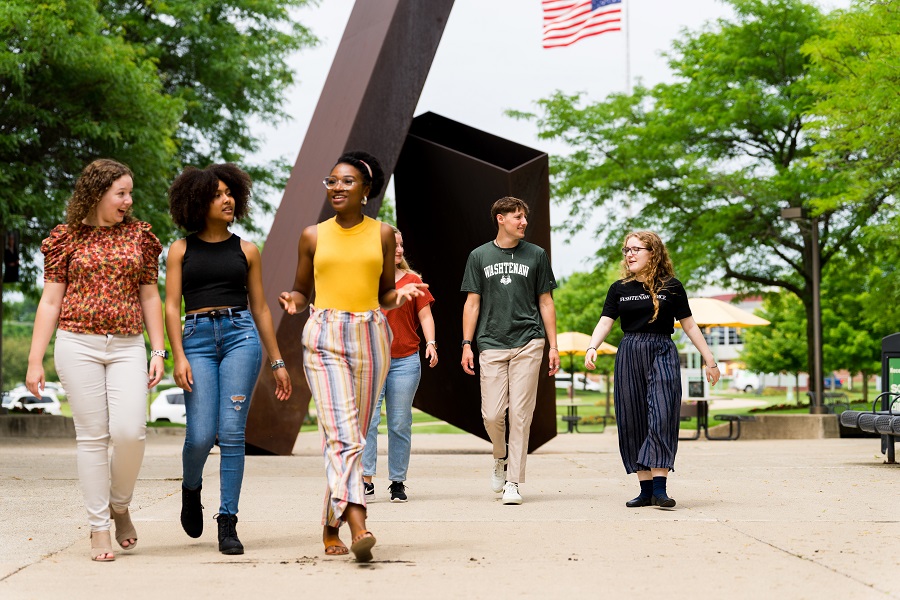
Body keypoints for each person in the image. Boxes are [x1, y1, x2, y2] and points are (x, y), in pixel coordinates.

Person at [278, 151, 427, 562]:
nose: (337, 187)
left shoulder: (382, 233)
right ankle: (358, 519)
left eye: (346, 181)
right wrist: (292, 299)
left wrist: (402, 295)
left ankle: (330, 524)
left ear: (365, 191)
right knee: (341, 434)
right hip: (325, 334)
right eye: (332, 181)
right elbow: (301, 288)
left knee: (351, 438)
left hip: (370, 334)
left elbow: (383, 294)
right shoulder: (313, 235)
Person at [25, 159, 165, 561]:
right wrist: (36, 360)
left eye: (129, 192)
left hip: (126, 345)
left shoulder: (140, 235)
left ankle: (120, 504)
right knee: (92, 437)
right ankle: (99, 527)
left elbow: (149, 295)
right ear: (97, 193)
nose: (128, 200)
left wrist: (158, 350)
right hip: (77, 343)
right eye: (120, 193)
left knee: (130, 432)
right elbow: (51, 300)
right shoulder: (65, 238)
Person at [165, 163, 292, 555]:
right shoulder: (181, 249)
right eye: (218, 194)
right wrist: (178, 356)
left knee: (233, 433)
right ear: (198, 200)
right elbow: (171, 306)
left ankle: (228, 522)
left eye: (230, 193)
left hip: (241, 338)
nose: (227, 200)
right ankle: (191, 489)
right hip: (197, 339)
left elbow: (262, 309)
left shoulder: (247, 249)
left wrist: (277, 361)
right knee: (201, 435)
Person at [584, 230, 721, 508]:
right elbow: (605, 321)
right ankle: (645, 490)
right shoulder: (619, 288)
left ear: (653, 252)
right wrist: (592, 346)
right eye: (626, 250)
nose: (630, 254)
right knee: (632, 418)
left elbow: (689, 325)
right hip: (629, 353)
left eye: (636, 249)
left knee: (662, 413)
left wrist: (710, 359)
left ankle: (660, 489)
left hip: (661, 351)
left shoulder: (672, 286)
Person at [460, 196, 560, 506]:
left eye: (524, 217)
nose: (524, 222)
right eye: (517, 217)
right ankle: (499, 457)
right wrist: (466, 344)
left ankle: (513, 482)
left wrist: (553, 345)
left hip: (529, 341)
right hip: (490, 342)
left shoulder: (537, 255)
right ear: (500, 218)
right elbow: (472, 302)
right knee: (492, 415)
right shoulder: (479, 256)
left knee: (520, 414)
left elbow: (545, 301)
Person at [362, 227, 437, 503]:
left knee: (399, 422)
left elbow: (425, 316)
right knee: (368, 421)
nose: (399, 250)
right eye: (393, 245)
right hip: (372, 359)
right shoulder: (366, 280)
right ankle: (366, 479)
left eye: (401, 245)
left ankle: (397, 482)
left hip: (405, 360)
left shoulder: (412, 280)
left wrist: (431, 343)